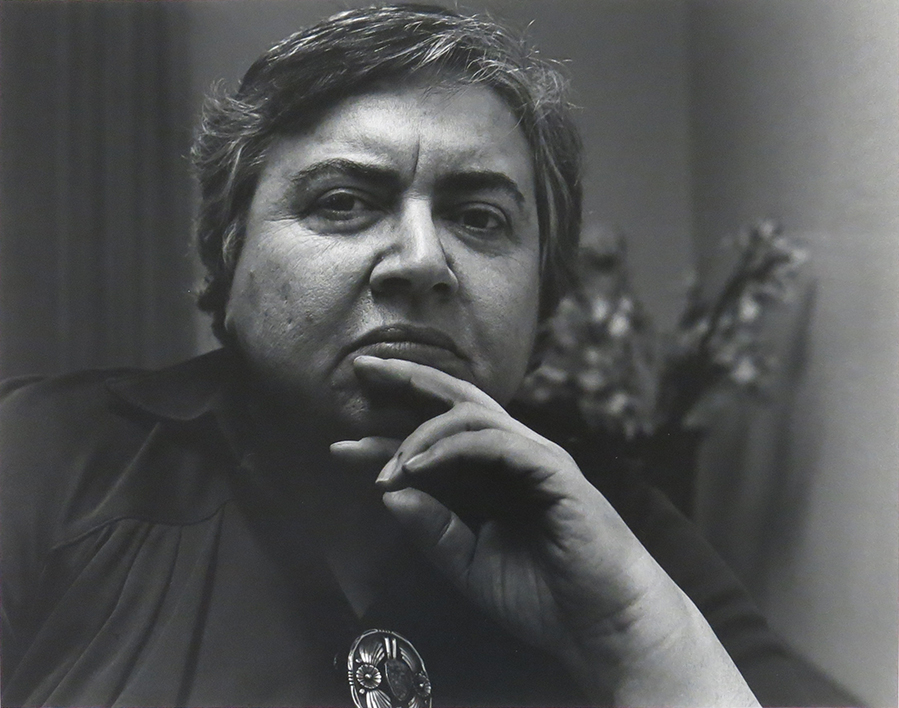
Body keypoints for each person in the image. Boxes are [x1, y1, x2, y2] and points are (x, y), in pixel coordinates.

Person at [0, 5, 852, 707]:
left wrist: (635, 636)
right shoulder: (39, 458)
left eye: (479, 218)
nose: (420, 262)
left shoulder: (610, 524)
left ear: (545, 296)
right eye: (343, 202)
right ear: (224, 258)